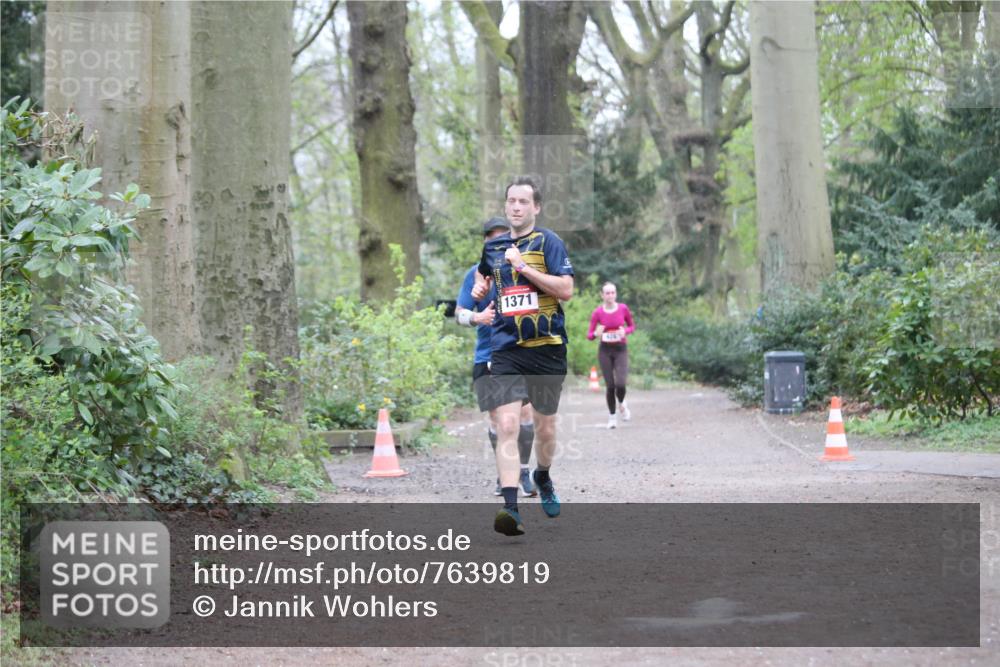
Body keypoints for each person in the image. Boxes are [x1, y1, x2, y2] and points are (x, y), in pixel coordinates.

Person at [471, 176, 574, 536]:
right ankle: (510, 509)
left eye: (523, 202)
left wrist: (525, 268)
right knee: (508, 425)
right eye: (511, 201)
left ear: (536, 207)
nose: (516, 207)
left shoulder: (549, 242)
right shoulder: (494, 247)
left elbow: (567, 290)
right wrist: (479, 285)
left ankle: (543, 476)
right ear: (505, 205)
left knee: (545, 429)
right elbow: (482, 279)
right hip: (505, 349)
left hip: (546, 348)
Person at [455, 217, 537, 498]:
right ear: (484, 243)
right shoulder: (474, 275)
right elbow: (459, 313)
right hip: (487, 356)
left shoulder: (523, 269)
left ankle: (522, 470)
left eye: (502, 237)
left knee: (522, 416)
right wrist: (478, 317)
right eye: (491, 238)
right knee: (496, 419)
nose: (496, 242)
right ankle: (505, 472)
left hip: (520, 354)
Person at [587, 282, 635, 429]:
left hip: (621, 349)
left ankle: (621, 403)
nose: (610, 295)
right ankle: (612, 417)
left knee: (621, 383)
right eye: (607, 293)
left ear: (616, 294)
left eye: (613, 292)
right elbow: (589, 335)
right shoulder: (598, 313)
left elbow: (632, 326)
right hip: (605, 351)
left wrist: (624, 332)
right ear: (602, 295)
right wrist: (596, 333)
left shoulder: (623, 308)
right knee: (610, 385)